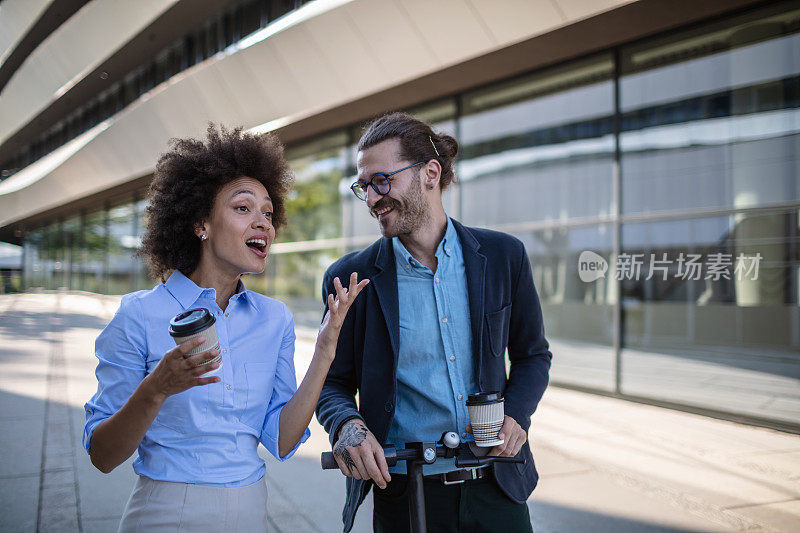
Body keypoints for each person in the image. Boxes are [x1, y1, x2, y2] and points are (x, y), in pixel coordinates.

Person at [83, 125, 368, 532]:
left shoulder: (275, 319)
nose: (263, 224)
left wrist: (325, 350)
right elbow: (103, 455)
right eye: (243, 208)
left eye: (268, 213)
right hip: (166, 512)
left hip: (251, 510)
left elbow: (283, 440)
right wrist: (157, 387)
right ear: (202, 222)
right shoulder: (139, 315)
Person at [316, 113, 552, 532]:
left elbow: (533, 355)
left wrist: (516, 414)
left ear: (430, 173)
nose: (371, 199)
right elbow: (330, 383)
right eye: (364, 187)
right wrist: (346, 425)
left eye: (382, 181)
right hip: (405, 494)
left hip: (496, 485)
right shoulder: (350, 277)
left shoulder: (504, 257)